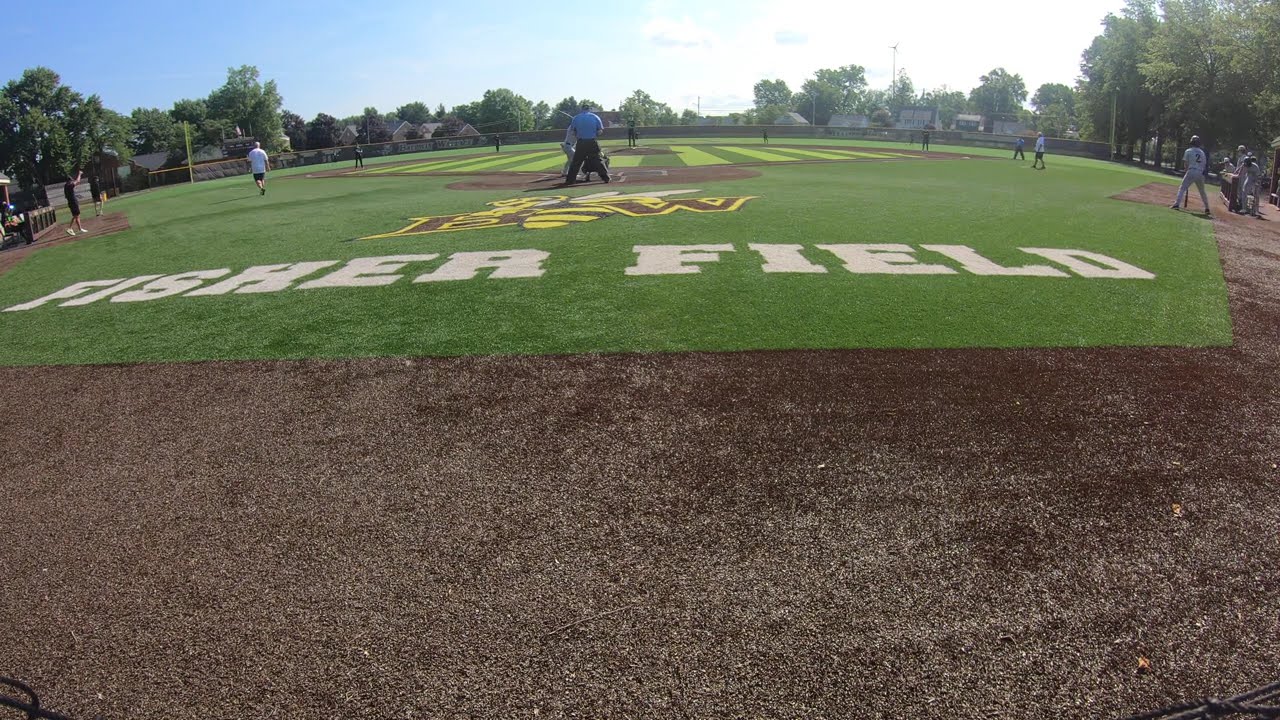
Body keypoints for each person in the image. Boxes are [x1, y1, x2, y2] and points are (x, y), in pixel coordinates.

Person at [564, 102, 609, 185]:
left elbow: (573, 132)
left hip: (581, 143)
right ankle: (605, 177)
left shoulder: (576, 118)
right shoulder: (595, 117)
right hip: (592, 142)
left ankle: (570, 180)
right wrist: (593, 133)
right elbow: (600, 131)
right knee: (598, 160)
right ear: (589, 109)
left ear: (582, 109)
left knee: (576, 162)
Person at [1171, 135, 1211, 216]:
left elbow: (1186, 164)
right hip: (1200, 173)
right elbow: (1204, 165)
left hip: (1191, 170)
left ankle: (1176, 204)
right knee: (1202, 191)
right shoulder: (1202, 152)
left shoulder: (1188, 151)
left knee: (1182, 188)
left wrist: (1186, 172)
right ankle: (1207, 208)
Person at [63, 171, 86, 235]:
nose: (72, 181)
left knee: (76, 215)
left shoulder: (65, 186)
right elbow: (78, 181)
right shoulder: (69, 185)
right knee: (76, 215)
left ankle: (79, 229)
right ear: (69, 181)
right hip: (73, 202)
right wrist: (79, 174)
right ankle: (70, 228)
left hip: (70, 202)